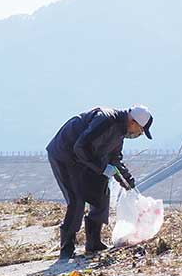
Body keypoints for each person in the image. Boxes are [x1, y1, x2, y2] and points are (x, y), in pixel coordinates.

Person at [46, 106, 153, 260]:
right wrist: (102, 167)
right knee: (76, 200)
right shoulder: (106, 120)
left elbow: (115, 159)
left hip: (84, 160)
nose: (138, 134)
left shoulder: (120, 132)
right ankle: (66, 247)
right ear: (133, 122)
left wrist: (128, 183)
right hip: (65, 155)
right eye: (141, 131)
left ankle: (94, 242)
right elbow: (80, 146)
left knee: (101, 192)